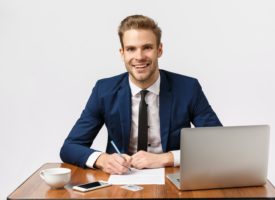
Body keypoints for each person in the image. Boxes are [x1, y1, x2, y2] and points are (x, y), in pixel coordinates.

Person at [60, 15, 222, 175]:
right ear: (122, 53)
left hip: (171, 177)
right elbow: (70, 147)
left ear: (159, 50)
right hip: (121, 179)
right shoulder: (104, 90)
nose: (139, 57)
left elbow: (218, 143)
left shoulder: (188, 88)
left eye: (147, 47)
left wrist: (167, 158)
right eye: (131, 49)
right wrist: (102, 160)